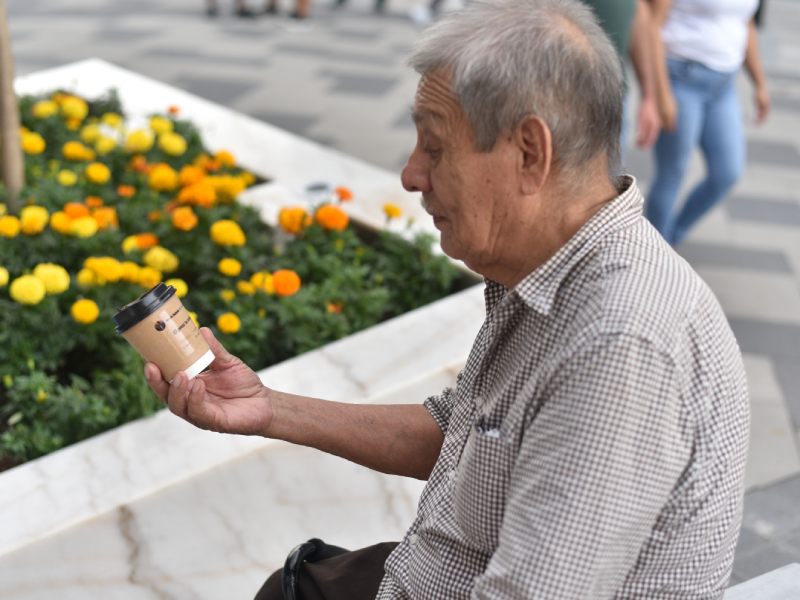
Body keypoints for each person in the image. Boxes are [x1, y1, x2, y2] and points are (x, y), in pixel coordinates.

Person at [145, 0, 750, 597]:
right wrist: (268, 408)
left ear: (529, 154)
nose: (410, 174)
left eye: (435, 148)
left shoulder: (620, 344)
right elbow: (462, 432)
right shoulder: (552, 271)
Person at [646, 0, 770, 246]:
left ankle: (670, 240)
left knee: (727, 173)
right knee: (672, 173)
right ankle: (655, 253)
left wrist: (760, 83)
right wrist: (660, 94)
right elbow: (652, 25)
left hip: (723, 85)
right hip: (681, 77)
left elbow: (746, 23)